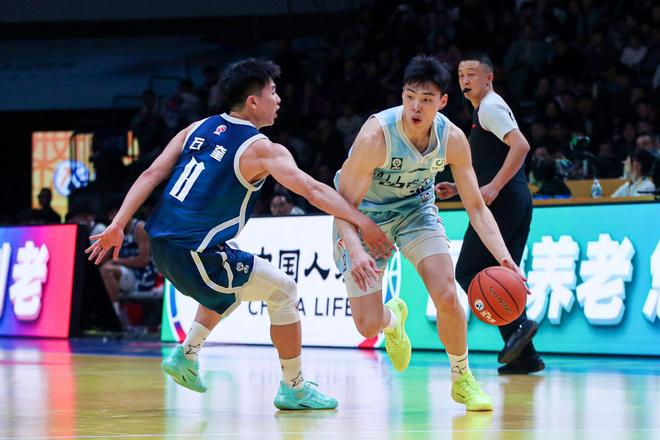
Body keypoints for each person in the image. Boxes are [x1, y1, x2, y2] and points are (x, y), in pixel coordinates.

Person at [86, 58, 393, 410]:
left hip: (163, 244)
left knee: (231, 287)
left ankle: (187, 354)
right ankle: (293, 387)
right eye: (273, 92)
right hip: (194, 251)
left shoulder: (197, 127)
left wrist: (118, 224)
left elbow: (150, 174)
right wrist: (362, 221)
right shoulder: (262, 149)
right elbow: (312, 190)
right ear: (252, 102)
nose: (278, 99)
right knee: (284, 291)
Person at [333, 55, 525, 412]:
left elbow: (477, 208)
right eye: (410, 97)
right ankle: (393, 321)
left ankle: (462, 378)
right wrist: (358, 249)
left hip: (416, 211)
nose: (416, 107)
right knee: (367, 325)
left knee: (448, 294)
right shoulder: (376, 136)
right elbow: (341, 204)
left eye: (426, 99)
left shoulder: (452, 139)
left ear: (443, 101)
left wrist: (504, 258)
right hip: (362, 215)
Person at [436, 53, 544, 375]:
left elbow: (521, 146)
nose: (465, 80)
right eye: (461, 75)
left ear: (489, 78)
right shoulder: (485, 110)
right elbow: (490, 164)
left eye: (472, 74)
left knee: (468, 270)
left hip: (504, 203)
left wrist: (495, 187)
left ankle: (519, 327)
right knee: (501, 273)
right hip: (514, 200)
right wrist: (458, 188)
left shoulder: (490, 107)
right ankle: (526, 356)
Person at [98, 201, 157, 325]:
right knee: (102, 271)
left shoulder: (139, 228)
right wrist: (108, 242)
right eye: (110, 215)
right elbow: (102, 261)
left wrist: (117, 261)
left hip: (143, 276)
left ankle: (115, 314)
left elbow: (143, 261)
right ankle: (110, 314)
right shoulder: (115, 230)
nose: (112, 219)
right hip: (126, 273)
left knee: (107, 270)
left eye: (115, 215)